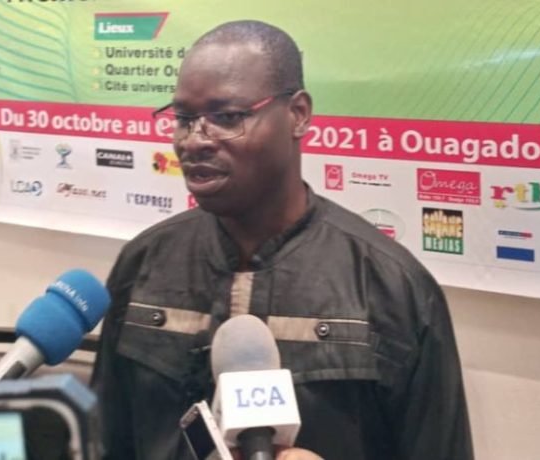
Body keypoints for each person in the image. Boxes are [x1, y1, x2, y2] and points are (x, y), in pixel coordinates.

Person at [91, 20, 473, 460]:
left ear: (298, 114)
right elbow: (106, 442)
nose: (194, 141)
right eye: (183, 119)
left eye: (226, 117)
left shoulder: (392, 286)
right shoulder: (142, 264)